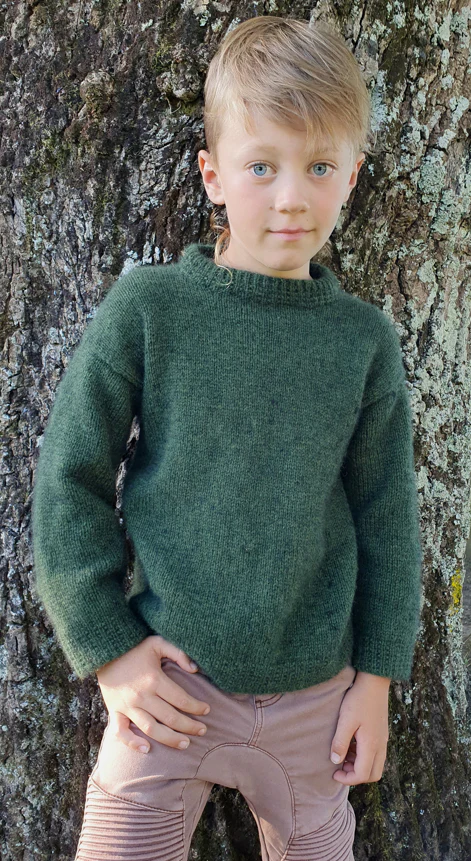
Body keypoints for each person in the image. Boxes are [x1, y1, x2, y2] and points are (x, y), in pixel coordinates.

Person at [31, 15, 423, 861]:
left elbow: (387, 517)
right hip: (168, 690)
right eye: (261, 166)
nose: (290, 197)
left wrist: (376, 679)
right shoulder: (151, 310)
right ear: (212, 175)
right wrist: (110, 650)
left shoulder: (362, 342)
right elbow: (68, 476)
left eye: (319, 167)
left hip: (316, 702)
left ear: (351, 175)